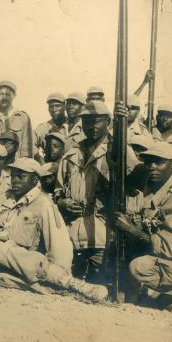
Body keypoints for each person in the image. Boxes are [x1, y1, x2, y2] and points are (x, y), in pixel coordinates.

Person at [0, 158, 108, 302]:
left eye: (21, 176)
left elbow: (59, 244)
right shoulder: (5, 198)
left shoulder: (44, 204)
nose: (14, 180)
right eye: (13, 175)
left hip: (23, 259)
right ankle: (44, 285)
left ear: (35, 180)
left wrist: (59, 271)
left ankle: (66, 282)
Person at [114, 144, 172, 310]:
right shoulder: (158, 183)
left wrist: (132, 229)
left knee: (139, 267)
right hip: (171, 253)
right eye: (148, 162)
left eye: (159, 162)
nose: (151, 167)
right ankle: (164, 293)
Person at [55, 100, 112, 284]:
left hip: (102, 237)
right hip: (73, 235)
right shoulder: (71, 155)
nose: (92, 126)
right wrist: (61, 202)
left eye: (98, 121)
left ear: (108, 122)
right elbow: (58, 190)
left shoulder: (116, 152)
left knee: (100, 287)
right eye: (87, 121)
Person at [0, 81, 34, 157]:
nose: (4, 98)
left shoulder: (23, 117)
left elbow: (27, 149)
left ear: (14, 96)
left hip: (15, 166)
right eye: (1, 94)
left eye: (8, 94)